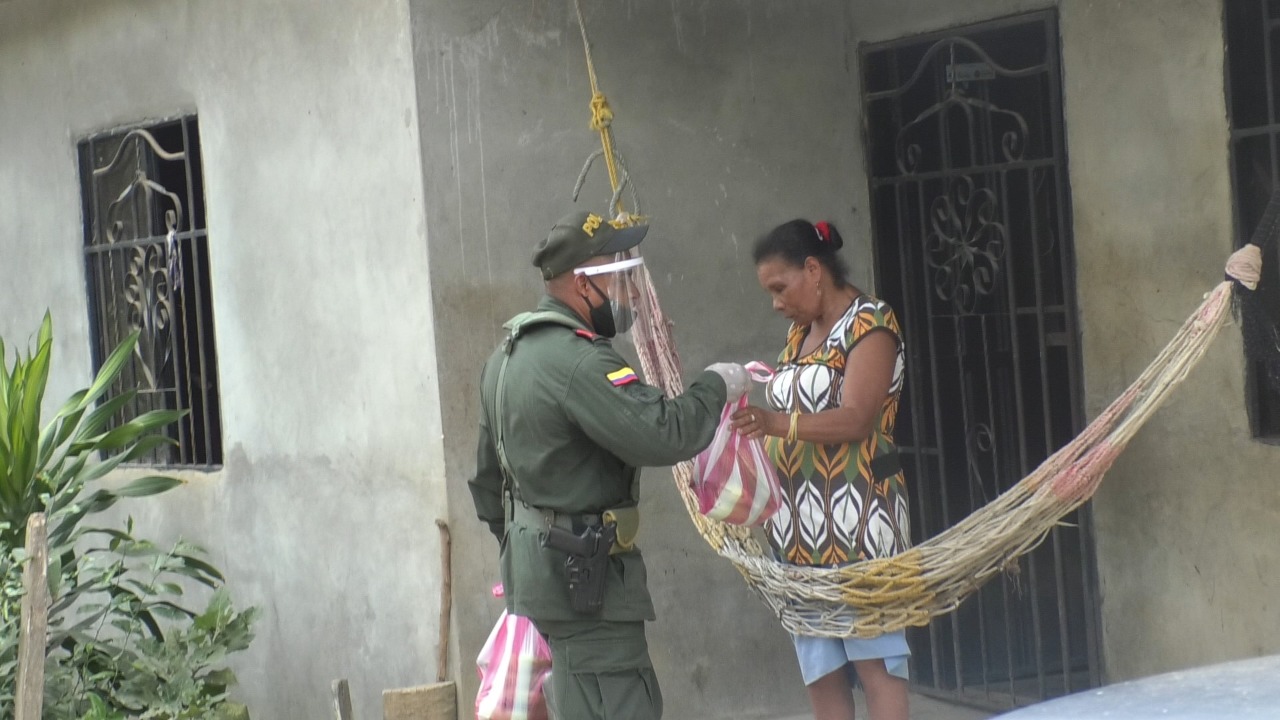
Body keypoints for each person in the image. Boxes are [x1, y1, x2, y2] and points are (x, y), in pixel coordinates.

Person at [468, 209, 748, 720]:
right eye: (617, 279)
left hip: (540, 580)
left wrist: (525, 551)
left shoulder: (505, 358)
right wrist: (716, 384)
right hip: (586, 586)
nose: (628, 293)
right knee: (617, 703)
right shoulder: (582, 362)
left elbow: (488, 485)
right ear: (582, 285)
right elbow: (665, 433)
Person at [731, 219, 910, 720]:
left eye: (779, 287)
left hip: (860, 523)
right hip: (799, 530)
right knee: (821, 672)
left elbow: (856, 419)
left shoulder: (870, 324)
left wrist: (773, 422)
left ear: (813, 270)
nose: (776, 302)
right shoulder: (798, 336)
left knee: (877, 667)